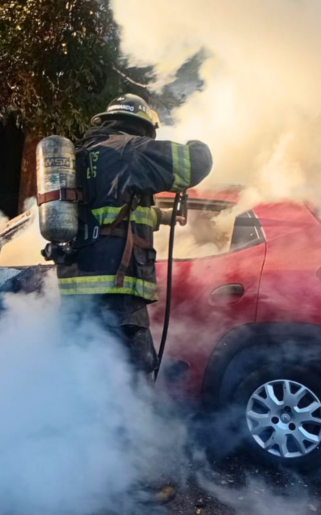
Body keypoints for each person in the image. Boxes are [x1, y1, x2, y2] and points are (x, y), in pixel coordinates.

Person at [57, 94, 213, 377]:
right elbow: (196, 163)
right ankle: (125, 422)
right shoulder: (130, 150)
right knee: (129, 379)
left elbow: (110, 215)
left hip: (75, 292)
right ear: (142, 127)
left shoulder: (80, 154)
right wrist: (195, 143)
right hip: (117, 293)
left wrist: (162, 217)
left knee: (82, 377)